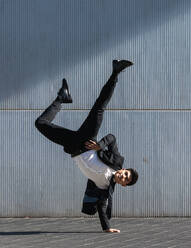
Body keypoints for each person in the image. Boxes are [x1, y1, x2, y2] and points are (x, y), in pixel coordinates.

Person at [35, 60, 139, 233]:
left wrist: (107, 228)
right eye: (126, 173)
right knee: (99, 107)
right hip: (88, 141)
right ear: (125, 169)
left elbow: (101, 206)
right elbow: (112, 138)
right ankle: (115, 73)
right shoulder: (117, 161)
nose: (123, 176)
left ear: (123, 185)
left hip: (74, 147)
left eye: (125, 180)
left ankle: (62, 98)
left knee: (40, 123)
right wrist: (100, 146)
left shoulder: (105, 188)